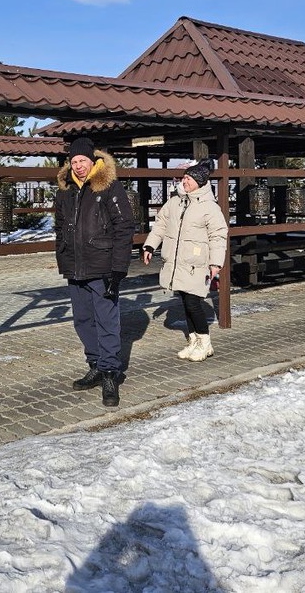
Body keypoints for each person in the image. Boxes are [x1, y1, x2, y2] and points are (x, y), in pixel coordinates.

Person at [55, 136, 136, 407]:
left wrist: (118, 269)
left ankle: (111, 372)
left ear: (93, 160)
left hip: (102, 267)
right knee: (83, 320)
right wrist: (62, 254)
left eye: (83, 160)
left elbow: (124, 227)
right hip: (75, 266)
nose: (78, 166)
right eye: (74, 161)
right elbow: (59, 225)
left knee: (107, 321)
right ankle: (96, 365)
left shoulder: (109, 187)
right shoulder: (66, 189)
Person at [142, 159, 228, 361]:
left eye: (188, 178)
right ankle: (193, 341)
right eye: (184, 178)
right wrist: (149, 245)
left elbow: (218, 235)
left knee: (193, 303)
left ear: (199, 182)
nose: (184, 181)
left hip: (196, 263)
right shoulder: (175, 202)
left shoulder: (209, 207)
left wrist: (216, 263)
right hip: (177, 262)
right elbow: (161, 225)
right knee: (185, 302)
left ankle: (205, 343)